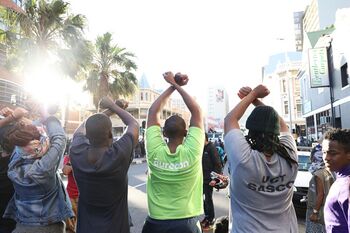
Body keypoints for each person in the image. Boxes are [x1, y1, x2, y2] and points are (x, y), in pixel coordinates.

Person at [224, 85, 298, 233]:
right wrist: (255, 99)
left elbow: (230, 119)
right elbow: (283, 126)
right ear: (276, 131)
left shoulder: (243, 159)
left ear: (250, 131)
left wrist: (253, 95)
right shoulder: (290, 156)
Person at [142, 72, 204, 233]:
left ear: (163, 133)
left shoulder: (154, 151)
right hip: (186, 224)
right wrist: (176, 85)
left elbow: (152, 112)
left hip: (155, 223)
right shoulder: (192, 151)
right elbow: (196, 112)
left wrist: (171, 85)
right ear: (186, 133)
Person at [70, 97, 139, 233]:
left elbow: (82, 127)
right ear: (110, 134)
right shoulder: (119, 154)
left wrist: (109, 109)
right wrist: (114, 107)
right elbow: (133, 124)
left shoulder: (77, 151)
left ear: (87, 135)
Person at [3, 106, 74, 233]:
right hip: (49, 227)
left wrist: (16, 119)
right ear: (38, 142)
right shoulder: (45, 166)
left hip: (21, 226)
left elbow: (23, 140)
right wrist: (47, 116)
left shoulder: (15, 160)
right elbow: (59, 138)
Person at [0, 107, 27, 233]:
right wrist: (15, 117)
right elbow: (36, 131)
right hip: (12, 220)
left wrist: (11, 118)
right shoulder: (23, 165)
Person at [322, 128, 350, 233]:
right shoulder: (341, 179)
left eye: (332, 153)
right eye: (324, 152)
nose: (326, 157)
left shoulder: (347, 185)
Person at [305, 144, 334, 233]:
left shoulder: (318, 173)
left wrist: (314, 212)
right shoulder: (327, 170)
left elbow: (321, 194)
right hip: (325, 210)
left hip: (317, 211)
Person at [201, 132, 223, 230]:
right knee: (203, 200)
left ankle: (211, 219)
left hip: (209, 180)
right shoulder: (202, 148)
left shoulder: (211, 148)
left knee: (208, 199)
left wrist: (215, 179)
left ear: (204, 138)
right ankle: (207, 216)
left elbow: (218, 165)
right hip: (202, 179)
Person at [62, 154, 79, 233]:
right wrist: (72, 159)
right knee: (70, 227)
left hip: (84, 196)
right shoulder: (69, 157)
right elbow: (65, 171)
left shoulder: (89, 154)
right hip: (70, 195)